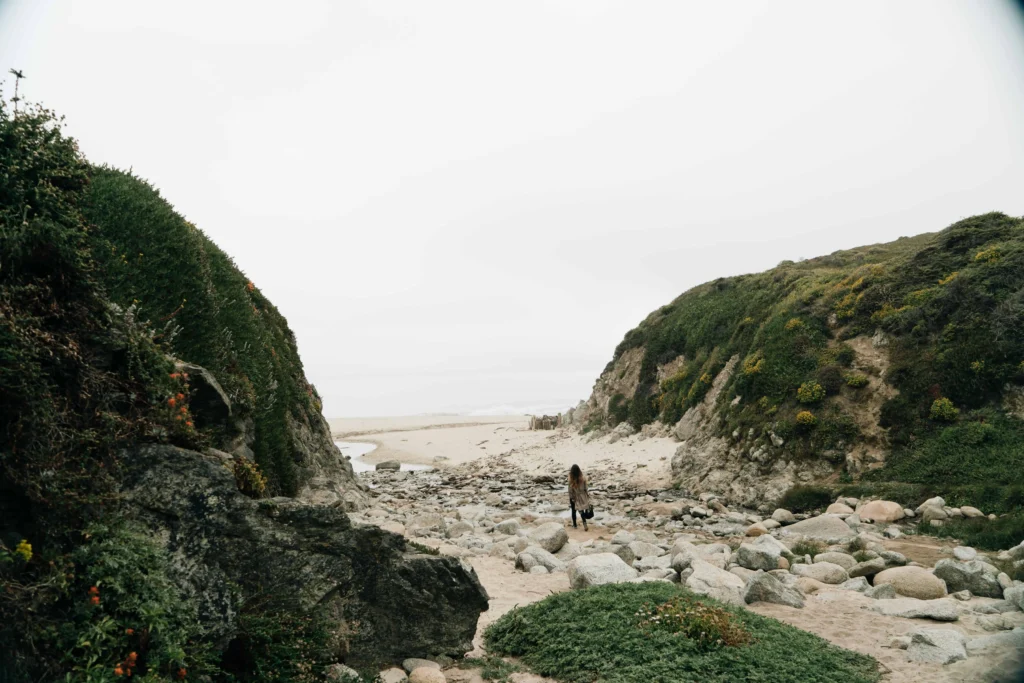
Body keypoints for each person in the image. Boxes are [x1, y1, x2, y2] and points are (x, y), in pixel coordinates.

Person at [569, 464, 591, 531]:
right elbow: (586, 488)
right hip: (583, 495)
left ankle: (575, 525)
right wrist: (587, 495)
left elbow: (570, 490)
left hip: (576, 496)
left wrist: (572, 498)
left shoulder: (571, 479)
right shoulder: (583, 478)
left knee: (574, 511)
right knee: (582, 510)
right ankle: (584, 522)